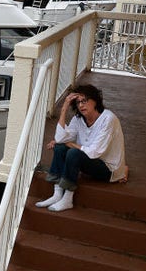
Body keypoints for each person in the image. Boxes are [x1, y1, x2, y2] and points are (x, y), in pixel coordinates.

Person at [36, 84, 127, 212]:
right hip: (90, 162)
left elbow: (94, 152)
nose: (81, 105)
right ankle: (57, 194)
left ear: (95, 100)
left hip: (107, 169)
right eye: (78, 102)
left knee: (73, 153)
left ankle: (67, 198)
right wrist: (64, 108)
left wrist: (70, 144)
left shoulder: (108, 119)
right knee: (60, 147)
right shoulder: (78, 119)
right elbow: (61, 138)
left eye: (84, 101)